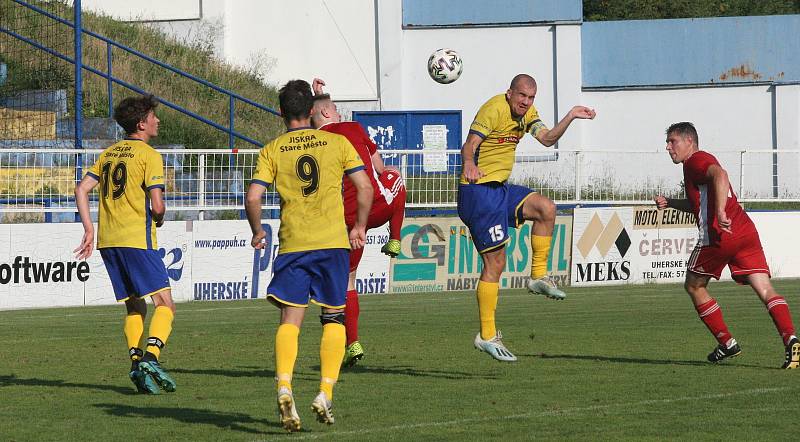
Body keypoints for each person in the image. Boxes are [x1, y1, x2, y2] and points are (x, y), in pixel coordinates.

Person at [245, 79, 373, 432]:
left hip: (294, 244)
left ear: (281, 112)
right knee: (333, 318)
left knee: (290, 319)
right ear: (313, 110)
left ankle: (285, 385)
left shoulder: (272, 149)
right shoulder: (337, 142)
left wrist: (258, 232)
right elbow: (365, 187)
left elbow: (253, 197)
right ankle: (324, 393)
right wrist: (359, 226)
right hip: (332, 244)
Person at [459, 74, 596, 362]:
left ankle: (537, 277)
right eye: (522, 96)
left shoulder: (527, 114)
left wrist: (570, 115)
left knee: (546, 208)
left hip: (499, 189)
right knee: (496, 262)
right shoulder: (493, 108)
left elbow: (547, 139)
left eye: (531, 97)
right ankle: (486, 335)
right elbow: (469, 144)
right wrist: (469, 164)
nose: (526, 102)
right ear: (509, 93)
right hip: (478, 192)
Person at [655, 122, 799, 369]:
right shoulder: (696, 165)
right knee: (765, 289)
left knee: (694, 286)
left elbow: (720, 175)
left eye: (672, 141)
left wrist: (720, 212)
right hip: (745, 230)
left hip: (720, 235)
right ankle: (792, 341)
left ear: (689, 141)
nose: (668, 147)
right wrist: (671, 202)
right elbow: (698, 203)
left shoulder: (695, 161)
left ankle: (727, 343)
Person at [74, 94, 177, 394]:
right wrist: (159, 217)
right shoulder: (149, 155)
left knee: (135, 306)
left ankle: (136, 363)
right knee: (165, 304)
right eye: (154, 116)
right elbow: (157, 206)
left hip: (109, 241)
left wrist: (89, 229)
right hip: (137, 240)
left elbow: (82, 189)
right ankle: (152, 357)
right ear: (142, 123)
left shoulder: (109, 153)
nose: (158, 120)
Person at [311, 78, 407, 367]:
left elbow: (316, 112)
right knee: (397, 177)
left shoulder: (315, 141)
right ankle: (396, 236)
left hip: (343, 223)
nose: (339, 112)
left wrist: (318, 97)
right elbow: (379, 167)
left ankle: (352, 342)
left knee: (348, 281)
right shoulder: (353, 128)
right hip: (374, 209)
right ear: (328, 112)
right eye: (336, 108)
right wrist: (384, 170)